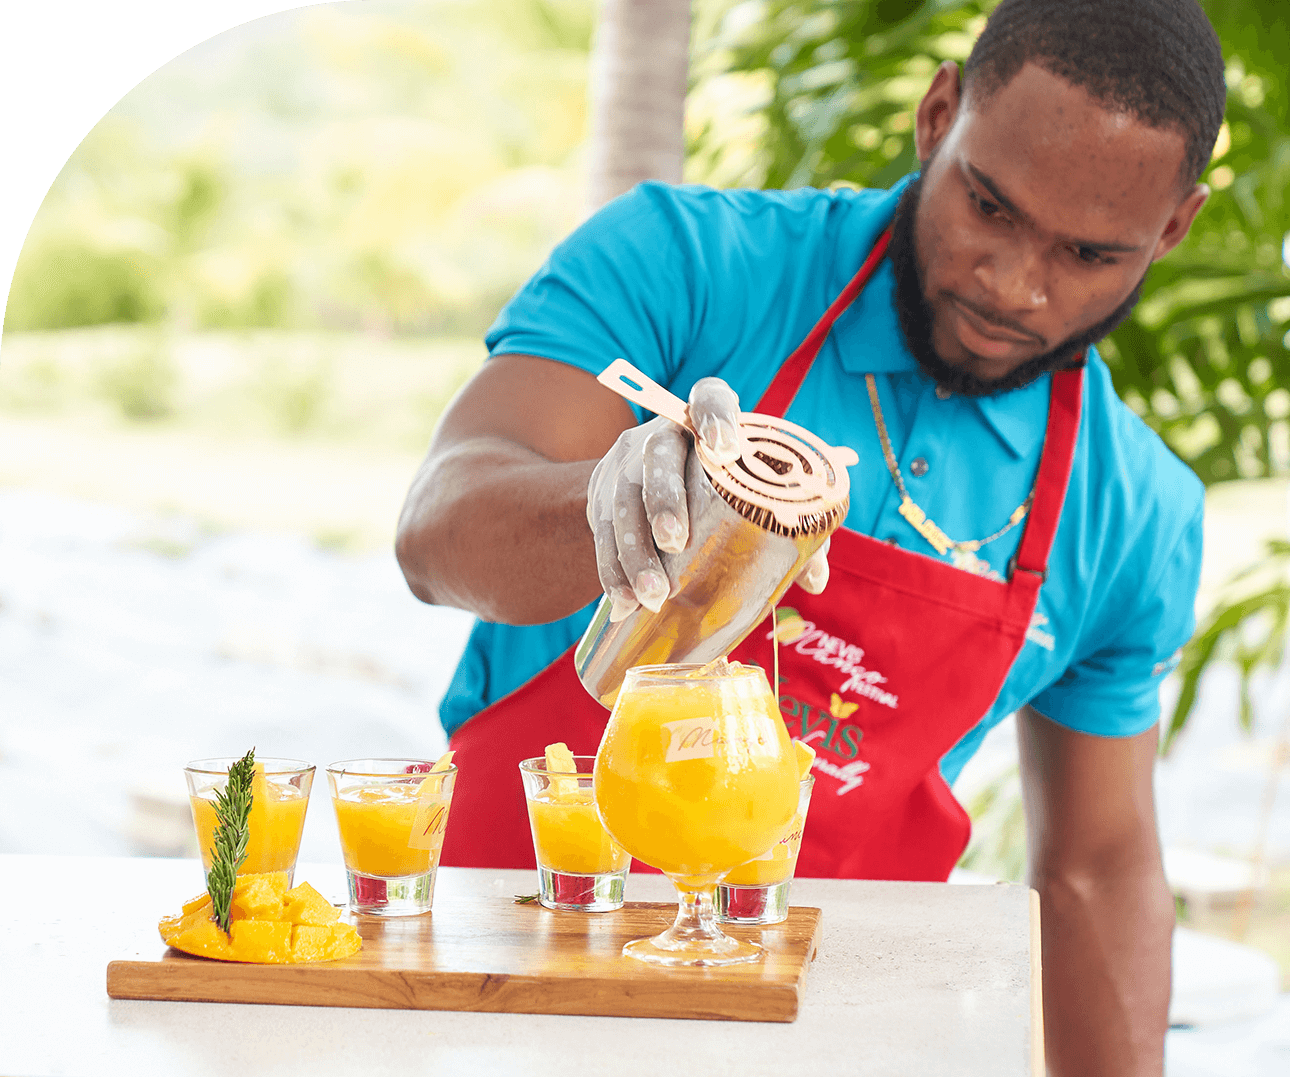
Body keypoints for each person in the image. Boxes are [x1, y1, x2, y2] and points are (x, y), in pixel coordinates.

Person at [395, 0, 1226, 1071]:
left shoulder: (1134, 512)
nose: (1015, 285)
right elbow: (437, 530)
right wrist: (612, 504)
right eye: (989, 206)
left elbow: (1097, 872)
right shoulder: (687, 265)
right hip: (496, 994)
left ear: (1172, 228)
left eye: (1087, 254)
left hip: (818, 1036)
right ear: (939, 115)